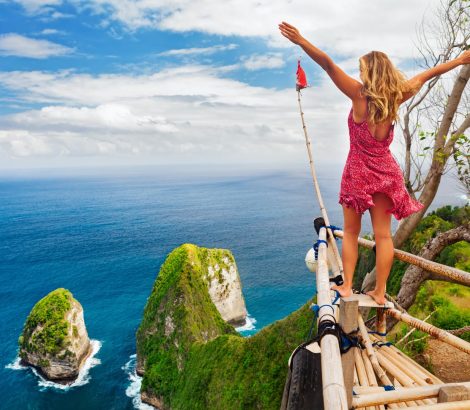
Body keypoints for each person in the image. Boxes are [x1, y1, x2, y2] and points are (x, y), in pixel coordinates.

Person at [279, 21, 470, 305]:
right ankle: (380, 292)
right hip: (385, 173)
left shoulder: (359, 95)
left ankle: (346, 289)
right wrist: (460, 60)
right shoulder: (396, 96)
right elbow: (428, 74)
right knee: (383, 237)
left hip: (358, 173)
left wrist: (302, 41)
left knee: (352, 234)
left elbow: (328, 65)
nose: (358, 73)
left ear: (369, 71)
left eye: (361, 69)